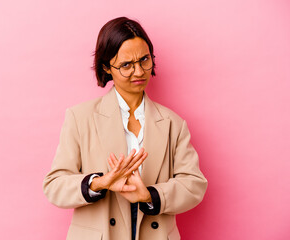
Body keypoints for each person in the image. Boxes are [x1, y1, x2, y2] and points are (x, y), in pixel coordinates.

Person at [43, 16, 208, 240]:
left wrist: (150, 196)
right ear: (106, 67)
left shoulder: (173, 123)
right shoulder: (80, 117)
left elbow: (194, 184)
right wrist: (100, 183)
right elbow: (54, 186)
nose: (139, 71)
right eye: (126, 65)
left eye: (144, 60)